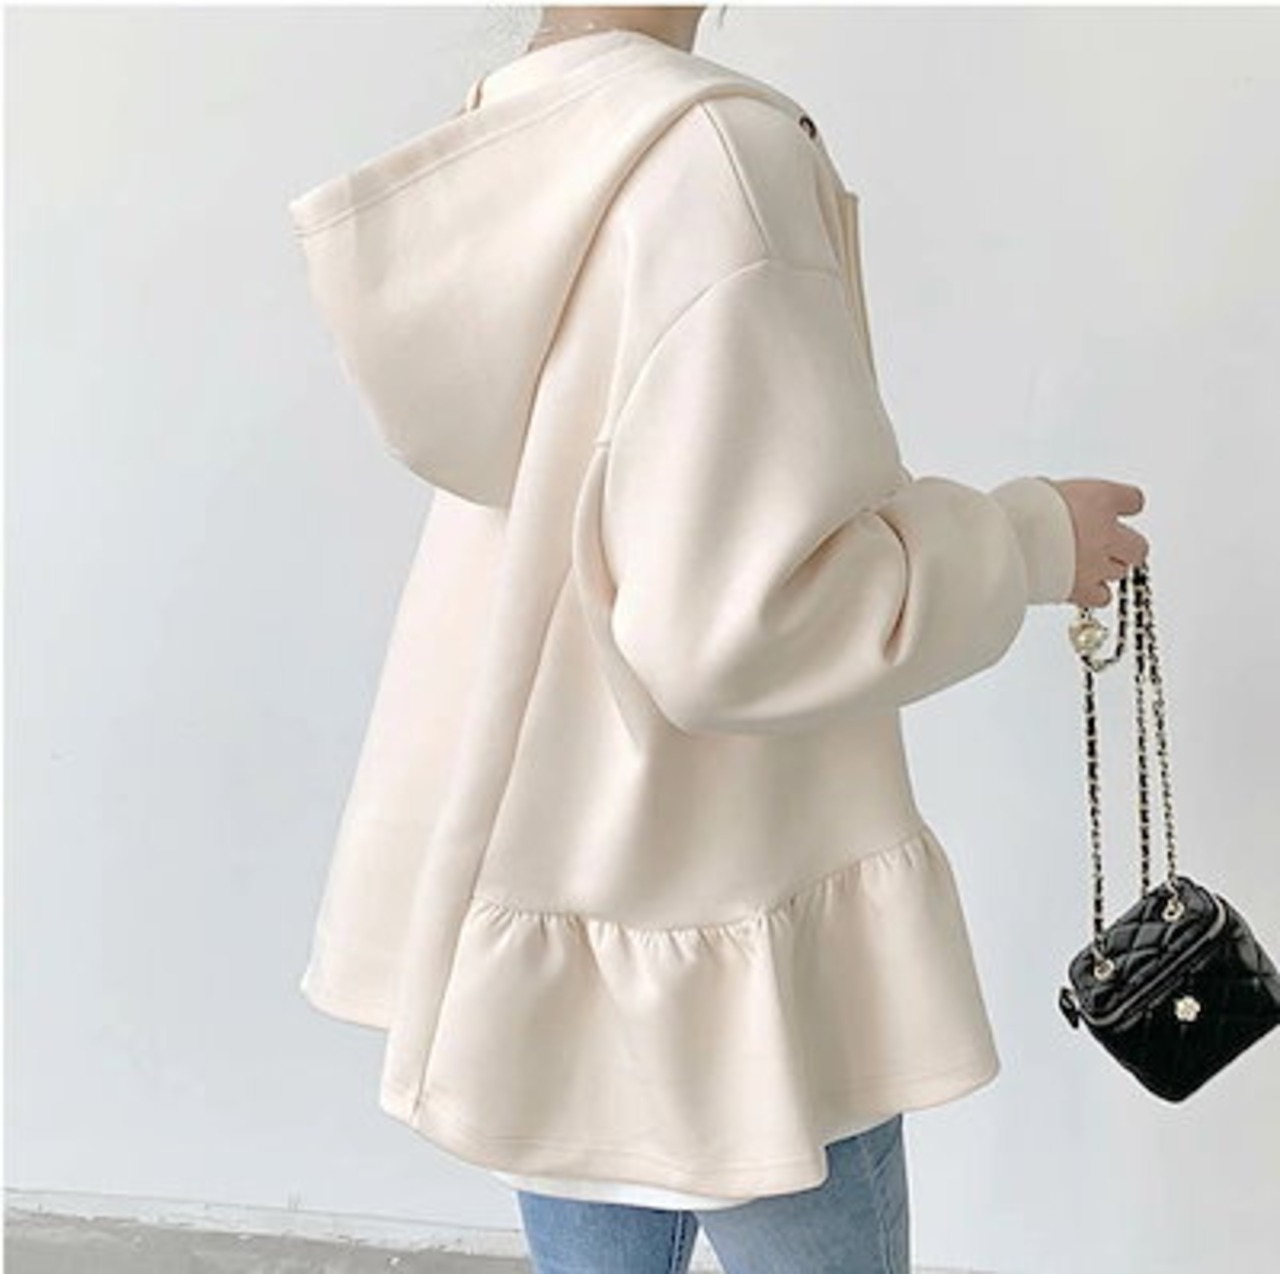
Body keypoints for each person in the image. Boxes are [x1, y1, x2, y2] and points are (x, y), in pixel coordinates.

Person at [286, 5, 1149, 1271]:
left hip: (547, 855)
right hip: (729, 875)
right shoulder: (714, 158)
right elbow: (741, 624)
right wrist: (1024, 541)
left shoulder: (519, 131)